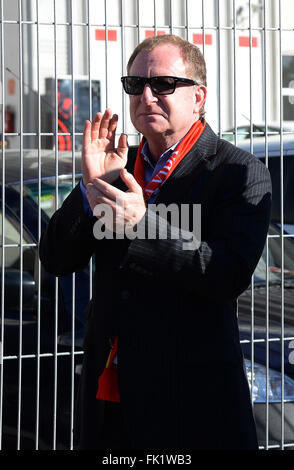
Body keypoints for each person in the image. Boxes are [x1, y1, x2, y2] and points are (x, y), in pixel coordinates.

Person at [39, 34, 272, 450]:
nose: (146, 96)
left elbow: (226, 273)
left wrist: (143, 224)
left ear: (198, 97)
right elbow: (56, 259)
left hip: (190, 408)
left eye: (163, 84)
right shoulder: (119, 165)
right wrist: (91, 187)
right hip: (111, 403)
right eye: (135, 85)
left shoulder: (238, 171)